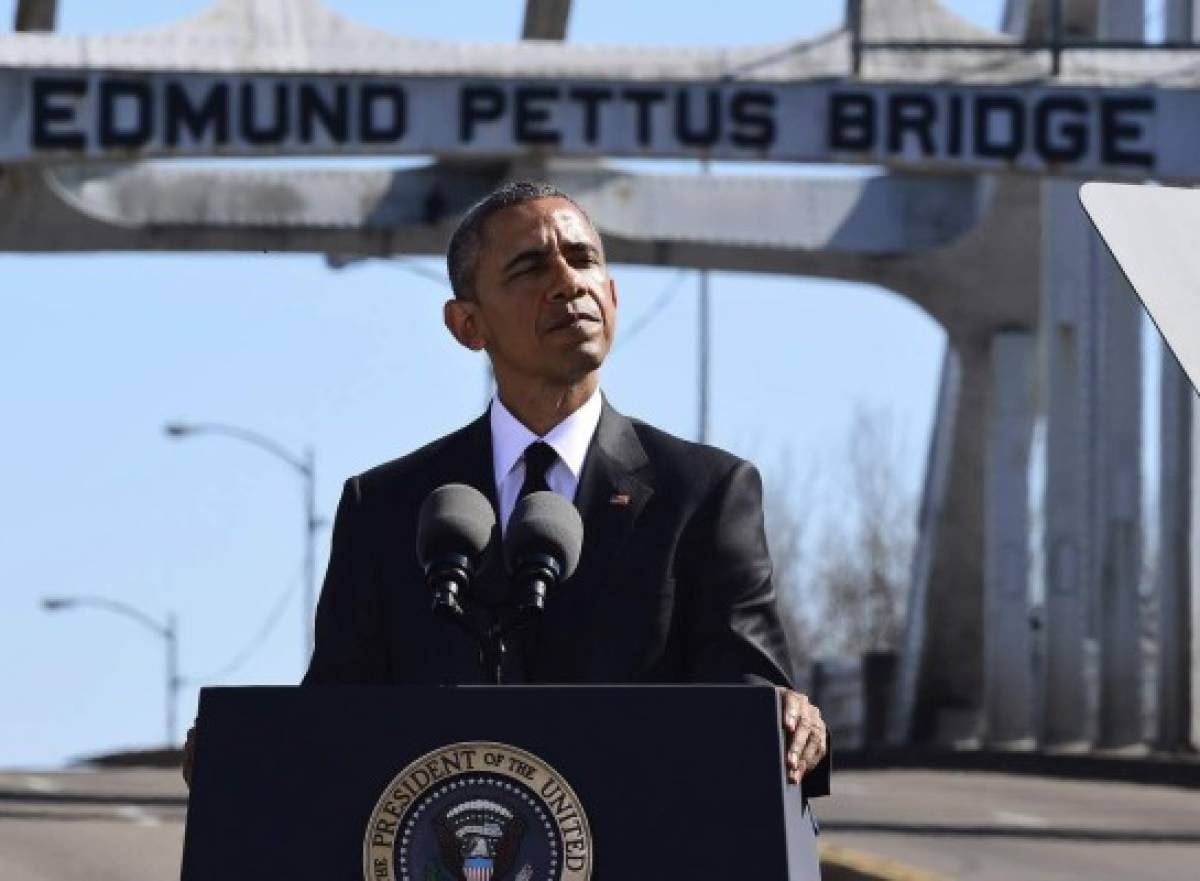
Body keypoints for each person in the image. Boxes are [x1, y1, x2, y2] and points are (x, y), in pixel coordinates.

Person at [185, 181, 828, 794]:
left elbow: (753, 712)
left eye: (583, 261)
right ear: (468, 325)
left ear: (612, 293)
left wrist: (795, 723)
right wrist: (243, 753)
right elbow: (336, 717)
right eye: (529, 269)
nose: (568, 283)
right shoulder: (384, 508)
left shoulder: (706, 493)